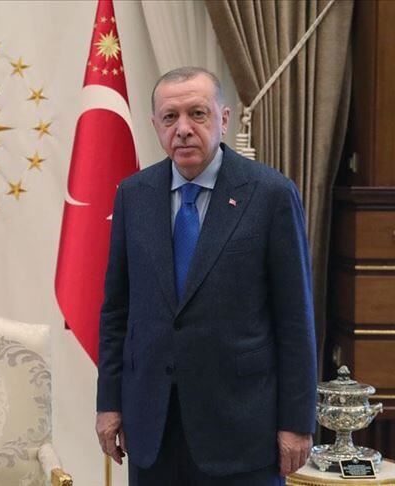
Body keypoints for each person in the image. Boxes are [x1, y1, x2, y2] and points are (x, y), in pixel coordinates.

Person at [95, 67, 316, 485]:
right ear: (155, 125)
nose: (182, 129)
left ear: (224, 119)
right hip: (153, 428)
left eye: (197, 113)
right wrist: (109, 403)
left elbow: (295, 319)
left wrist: (297, 421)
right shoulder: (133, 195)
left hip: (242, 429)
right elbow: (116, 312)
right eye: (170, 117)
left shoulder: (270, 194)